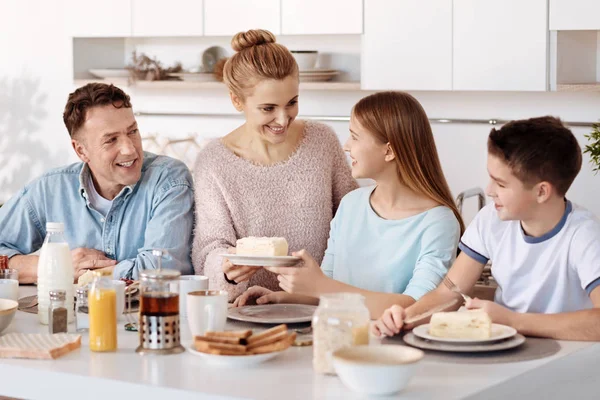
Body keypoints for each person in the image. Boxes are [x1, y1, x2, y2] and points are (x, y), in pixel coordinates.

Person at [234, 91, 464, 318]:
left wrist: (321, 286)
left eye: (355, 136)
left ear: (389, 150)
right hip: (338, 337)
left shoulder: (438, 222)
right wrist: (280, 298)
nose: (346, 146)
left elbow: (415, 307)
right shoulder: (351, 204)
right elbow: (329, 288)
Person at [374, 116, 600, 341]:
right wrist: (405, 317)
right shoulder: (491, 219)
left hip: (568, 359)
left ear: (541, 192)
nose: (489, 190)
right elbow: (449, 292)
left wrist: (514, 321)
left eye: (501, 184)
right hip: (509, 349)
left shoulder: (584, 235)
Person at [191, 29, 357, 302]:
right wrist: (228, 270)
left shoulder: (322, 142)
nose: (282, 119)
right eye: (268, 108)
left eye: (292, 103)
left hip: (320, 307)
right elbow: (210, 247)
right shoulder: (214, 162)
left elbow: (354, 223)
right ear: (236, 100)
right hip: (247, 311)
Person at [0, 83, 194, 283]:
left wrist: (89, 274)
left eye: (132, 132)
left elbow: (160, 271)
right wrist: (55, 265)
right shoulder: (50, 189)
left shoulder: (169, 180)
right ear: (81, 151)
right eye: (111, 140)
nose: (129, 149)